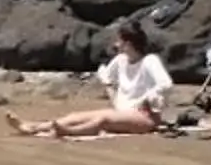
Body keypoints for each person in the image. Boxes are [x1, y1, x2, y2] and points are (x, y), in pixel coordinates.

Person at [10, 22, 173, 139]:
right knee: (76, 116)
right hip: (122, 111)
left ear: (128, 43)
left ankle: (66, 131)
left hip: (144, 116)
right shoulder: (121, 60)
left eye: (120, 41)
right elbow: (106, 77)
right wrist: (115, 98)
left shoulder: (149, 61)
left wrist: (147, 98)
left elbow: (165, 84)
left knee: (103, 120)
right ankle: (32, 126)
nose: (117, 44)